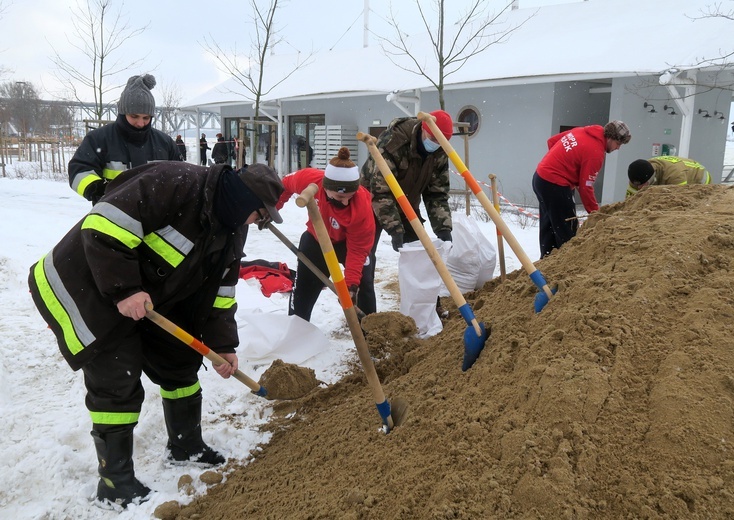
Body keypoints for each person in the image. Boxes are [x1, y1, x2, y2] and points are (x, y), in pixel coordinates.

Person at [28, 161, 284, 508]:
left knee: (180, 361)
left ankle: (185, 445)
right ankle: (114, 482)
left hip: (149, 295)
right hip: (87, 282)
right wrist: (124, 289)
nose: (258, 222)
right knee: (117, 378)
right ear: (242, 200)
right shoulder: (175, 184)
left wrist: (222, 344)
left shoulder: (233, 227)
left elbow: (220, 290)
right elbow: (102, 226)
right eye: (259, 214)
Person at [359, 109, 454, 316]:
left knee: (421, 254)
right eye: (432, 139)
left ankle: (428, 309)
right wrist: (394, 228)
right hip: (369, 200)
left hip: (406, 203)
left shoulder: (439, 151)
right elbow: (381, 189)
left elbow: (436, 193)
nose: (434, 145)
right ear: (423, 129)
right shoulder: (395, 141)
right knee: (365, 258)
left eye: (440, 142)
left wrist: (443, 227)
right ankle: (364, 316)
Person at [276, 147, 375, 321]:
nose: (345, 203)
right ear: (327, 188)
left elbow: (358, 249)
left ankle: (370, 331)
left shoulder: (361, 206)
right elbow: (283, 185)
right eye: (339, 197)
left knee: (363, 283)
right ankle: (297, 327)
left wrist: (350, 284)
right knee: (304, 287)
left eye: (350, 197)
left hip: (347, 244)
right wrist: (273, 209)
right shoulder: (308, 179)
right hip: (316, 240)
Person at [67, 74, 181, 204]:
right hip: (110, 216)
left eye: (146, 118)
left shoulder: (165, 143)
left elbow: (181, 178)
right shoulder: (98, 139)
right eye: (134, 116)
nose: (140, 123)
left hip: (156, 220)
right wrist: (99, 190)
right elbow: (79, 171)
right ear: (123, 112)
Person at [532, 120, 631, 258]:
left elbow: (552, 141)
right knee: (568, 230)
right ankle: (568, 264)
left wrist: (562, 164)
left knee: (549, 225)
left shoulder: (581, 131)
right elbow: (586, 188)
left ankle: (547, 259)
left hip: (540, 178)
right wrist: (596, 213)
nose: (618, 148)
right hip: (555, 184)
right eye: (618, 144)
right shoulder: (595, 153)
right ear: (610, 137)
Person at [626, 155, 711, 198]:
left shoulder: (674, 177)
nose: (639, 188)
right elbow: (630, 202)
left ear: (651, 178)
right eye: (637, 185)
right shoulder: (636, 178)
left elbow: (676, 201)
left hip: (699, 177)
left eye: (643, 184)